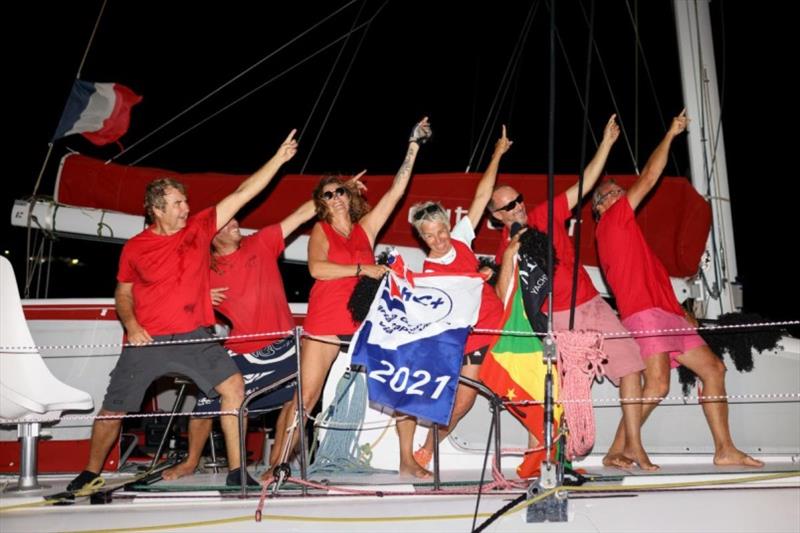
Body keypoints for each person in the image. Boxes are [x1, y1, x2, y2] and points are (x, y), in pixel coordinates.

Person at [67, 130, 299, 491]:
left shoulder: (199, 229)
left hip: (195, 336)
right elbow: (123, 292)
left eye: (185, 201)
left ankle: (237, 472)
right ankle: (90, 473)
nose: (186, 208)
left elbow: (242, 194)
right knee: (114, 408)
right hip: (147, 340)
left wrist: (279, 159)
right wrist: (131, 323)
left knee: (234, 387)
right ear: (157, 209)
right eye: (177, 203)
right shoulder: (136, 248)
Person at [592, 110, 763, 468]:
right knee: (657, 385)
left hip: (667, 314)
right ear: (602, 205)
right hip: (645, 314)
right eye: (615, 192)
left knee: (713, 368)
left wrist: (681, 312)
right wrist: (670, 133)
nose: (623, 194)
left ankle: (724, 450)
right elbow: (651, 176)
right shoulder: (612, 221)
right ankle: (616, 450)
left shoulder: (628, 234)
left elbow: (653, 281)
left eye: (622, 191)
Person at [489, 115, 653, 472]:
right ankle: (558, 457)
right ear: (497, 216)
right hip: (557, 318)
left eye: (518, 199)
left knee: (631, 369)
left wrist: (606, 144)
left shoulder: (545, 213)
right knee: (567, 391)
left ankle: (631, 449)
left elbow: (584, 185)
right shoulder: (506, 245)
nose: (518, 206)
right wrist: (509, 254)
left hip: (591, 303)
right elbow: (503, 295)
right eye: (508, 206)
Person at [279, 117, 432, 468]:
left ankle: (408, 460)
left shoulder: (365, 229)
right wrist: (365, 269)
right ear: (321, 202)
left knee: (398, 386)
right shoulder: (321, 230)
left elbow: (396, 192)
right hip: (326, 320)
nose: (335, 198)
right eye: (328, 194)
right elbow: (317, 269)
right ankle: (277, 466)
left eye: (340, 191)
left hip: (364, 322)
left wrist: (412, 146)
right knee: (306, 397)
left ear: (349, 197)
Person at [162, 195, 317, 482]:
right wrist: (200, 297)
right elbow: (167, 303)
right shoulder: (202, 270)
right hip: (240, 349)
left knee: (299, 400)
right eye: (228, 220)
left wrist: (332, 195)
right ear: (212, 234)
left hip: (283, 346)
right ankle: (191, 461)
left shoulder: (261, 242)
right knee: (205, 406)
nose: (235, 221)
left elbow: (301, 214)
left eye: (235, 217)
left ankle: (276, 464)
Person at [399, 126, 513, 478]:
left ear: (449, 226)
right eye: (428, 235)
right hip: (469, 340)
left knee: (522, 382)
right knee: (462, 403)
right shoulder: (428, 273)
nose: (437, 240)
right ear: (421, 238)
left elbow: (480, 197)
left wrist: (497, 153)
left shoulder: (463, 239)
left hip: (501, 326)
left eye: (440, 231)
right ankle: (424, 451)